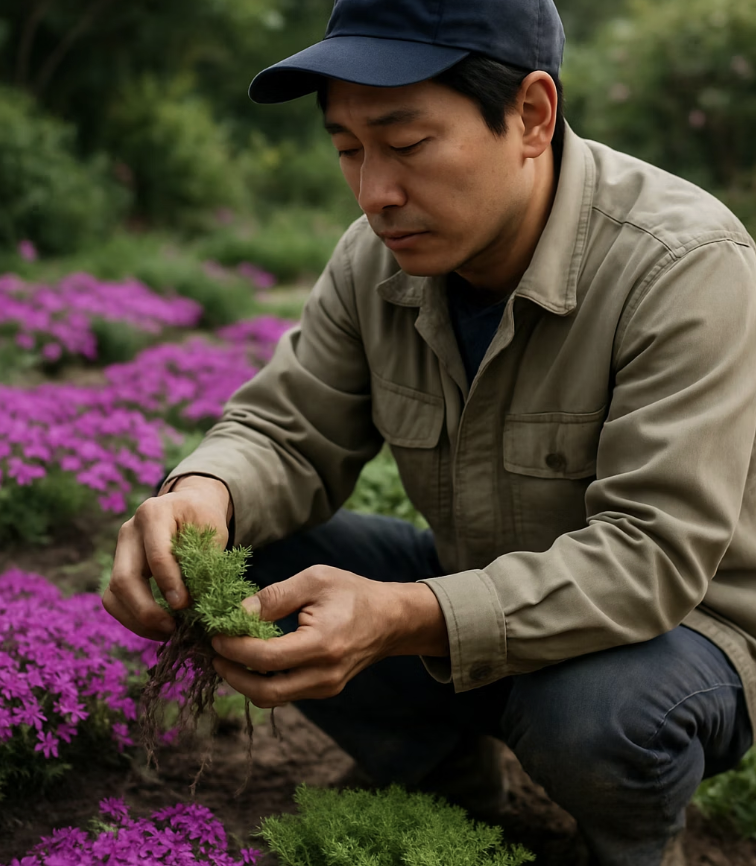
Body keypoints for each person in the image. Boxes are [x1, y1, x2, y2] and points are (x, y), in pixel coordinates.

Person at [103, 0, 756, 863]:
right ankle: (446, 774)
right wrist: (203, 493)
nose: (376, 191)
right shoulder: (374, 259)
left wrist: (405, 616)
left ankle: (629, 843)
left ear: (531, 115)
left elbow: (651, 556)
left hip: (680, 638)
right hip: (472, 591)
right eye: (347, 149)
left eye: (407, 144)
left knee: (596, 717)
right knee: (244, 552)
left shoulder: (680, 265)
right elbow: (287, 430)